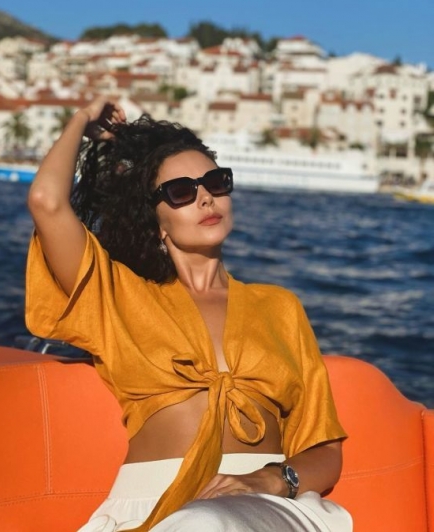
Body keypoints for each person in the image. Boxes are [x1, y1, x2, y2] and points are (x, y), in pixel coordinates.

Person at [25, 97, 352, 532]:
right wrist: (83, 118)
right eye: (181, 192)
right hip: (147, 507)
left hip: (265, 505)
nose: (205, 198)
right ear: (156, 220)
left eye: (215, 182)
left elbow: (325, 450)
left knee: (205, 523)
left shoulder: (280, 307)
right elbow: (46, 201)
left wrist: (272, 479)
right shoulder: (118, 296)